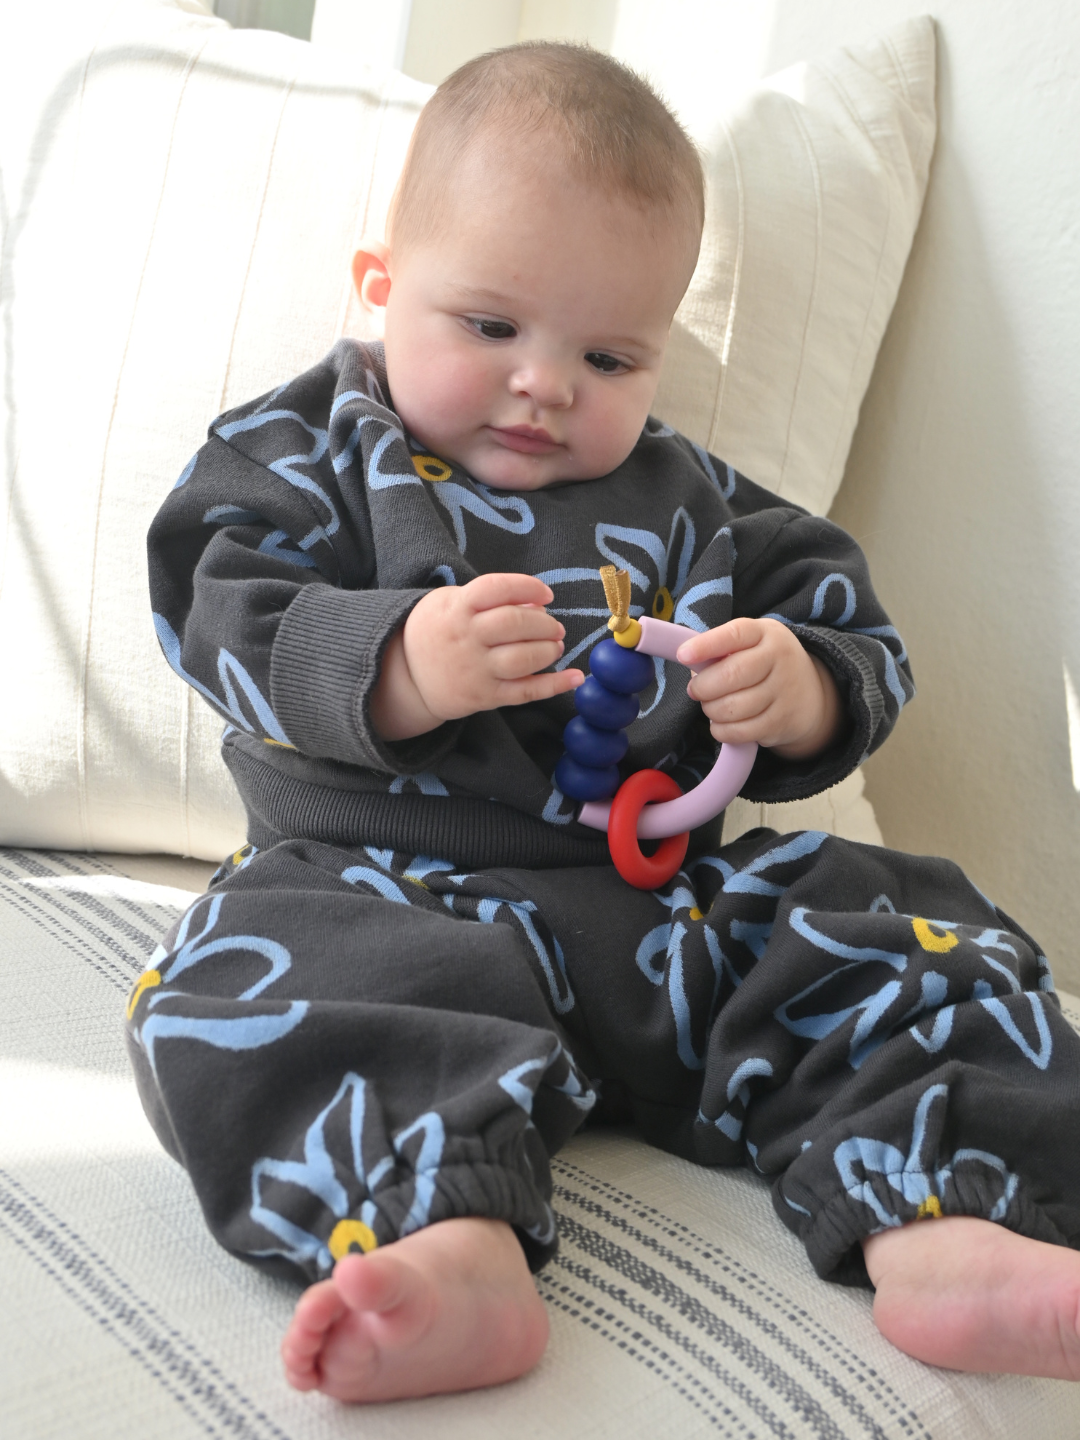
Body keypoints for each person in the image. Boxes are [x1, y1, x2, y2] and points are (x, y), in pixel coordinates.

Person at [133, 41, 1080, 1405]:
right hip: (380, 894)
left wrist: (801, 685)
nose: (546, 385)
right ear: (379, 290)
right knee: (240, 984)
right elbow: (212, 607)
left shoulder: (692, 497)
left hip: (659, 901)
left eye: (611, 352)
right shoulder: (301, 454)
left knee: (913, 934)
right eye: (489, 326)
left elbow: (848, 628)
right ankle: (444, 1237)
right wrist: (398, 662)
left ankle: (949, 1222)